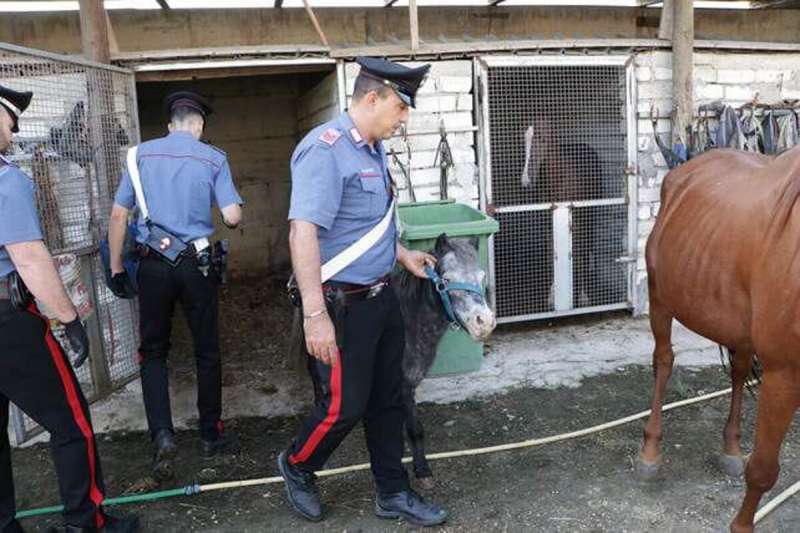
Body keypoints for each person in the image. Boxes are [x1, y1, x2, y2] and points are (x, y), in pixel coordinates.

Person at [277, 57, 448, 527]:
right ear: (371, 99)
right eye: (400, 106)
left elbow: (362, 225)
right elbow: (303, 232)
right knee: (342, 407)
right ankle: (297, 465)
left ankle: (392, 492)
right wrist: (315, 315)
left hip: (381, 298)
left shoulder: (371, 148)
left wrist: (401, 255)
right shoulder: (325, 149)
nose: (404, 116)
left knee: (388, 399)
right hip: (340, 306)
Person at [0, 85, 138, 532]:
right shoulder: (6, 180)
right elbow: (28, 257)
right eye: (9, 120)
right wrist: (68, 319)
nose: (14, 132)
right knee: (71, 423)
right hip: (8, 324)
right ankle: (86, 521)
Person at [107, 91, 243, 481]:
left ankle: (163, 436)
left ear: (170, 125)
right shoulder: (214, 158)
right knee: (207, 351)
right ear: (198, 126)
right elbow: (232, 217)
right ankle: (210, 435)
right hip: (196, 266)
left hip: (152, 266)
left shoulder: (138, 157)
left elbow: (119, 215)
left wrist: (117, 267)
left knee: (152, 352)